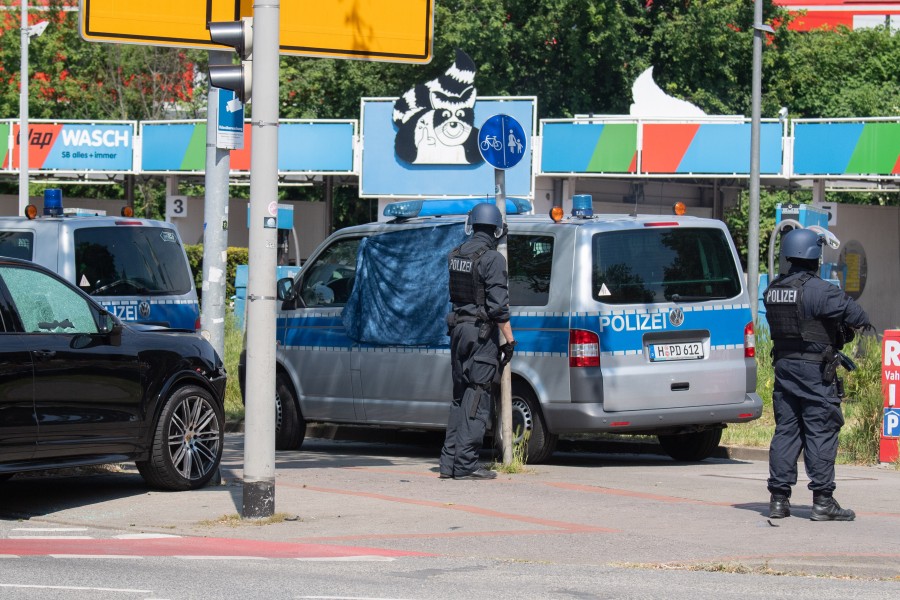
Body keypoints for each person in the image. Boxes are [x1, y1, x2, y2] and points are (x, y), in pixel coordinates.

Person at [762, 228, 871, 521]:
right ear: (815, 255)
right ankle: (823, 501)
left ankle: (778, 500)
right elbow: (858, 318)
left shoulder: (773, 290)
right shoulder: (822, 291)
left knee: (787, 431)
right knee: (821, 428)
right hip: (815, 372)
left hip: (784, 369)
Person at [439, 203, 516, 480]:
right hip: (481, 335)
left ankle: (449, 464)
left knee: (460, 397)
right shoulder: (493, 259)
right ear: (495, 229)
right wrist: (509, 340)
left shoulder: (455, 254)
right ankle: (466, 465)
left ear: (471, 225)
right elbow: (498, 308)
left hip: (458, 331)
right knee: (478, 396)